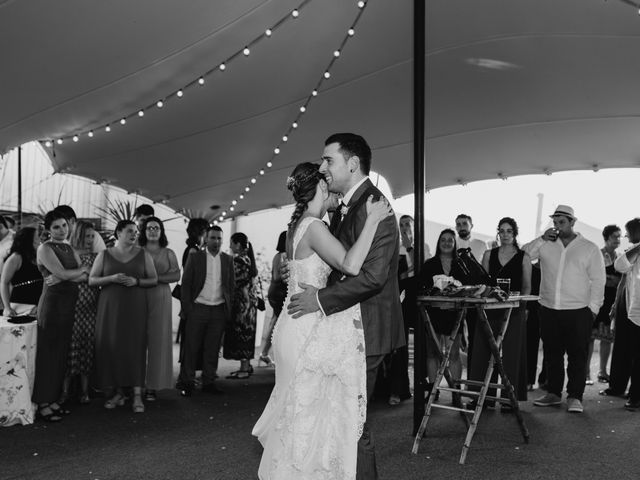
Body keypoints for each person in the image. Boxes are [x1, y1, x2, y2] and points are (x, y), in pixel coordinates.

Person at [253, 160, 393, 479]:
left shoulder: (301, 223)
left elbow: (305, 266)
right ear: (320, 187)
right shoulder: (314, 227)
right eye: (327, 182)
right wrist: (371, 220)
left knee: (299, 415)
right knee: (304, 417)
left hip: (294, 322)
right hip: (304, 327)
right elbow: (350, 264)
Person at [283, 133, 404, 480]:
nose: (322, 167)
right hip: (342, 326)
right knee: (341, 422)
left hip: (366, 329)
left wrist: (319, 299)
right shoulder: (345, 204)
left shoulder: (375, 205)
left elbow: (372, 277)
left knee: (353, 425)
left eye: (328, 160)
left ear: (352, 164)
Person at [523, 205, 605, 413]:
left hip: (579, 310)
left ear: (572, 223)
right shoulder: (545, 244)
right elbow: (524, 255)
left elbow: (598, 279)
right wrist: (542, 238)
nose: (558, 226)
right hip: (549, 307)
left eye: (562, 222)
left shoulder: (589, 247)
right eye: (555, 222)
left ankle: (575, 396)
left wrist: (593, 309)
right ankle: (553, 393)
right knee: (552, 353)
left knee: (577, 354)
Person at [90, 220, 157, 413]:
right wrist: (110, 279)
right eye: (129, 231)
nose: (134, 235)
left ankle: (137, 395)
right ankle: (118, 392)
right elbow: (92, 280)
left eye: (136, 232)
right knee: (113, 348)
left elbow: (153, 279)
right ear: (118, 233)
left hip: (135, 307)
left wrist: (137, 281)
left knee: (135, 347)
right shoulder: (104, 254)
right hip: (110, 308)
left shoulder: (143, 255)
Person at [32, 210, 90, 422]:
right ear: (48, 230)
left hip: (68, 305)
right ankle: (43, 403)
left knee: (61, 354)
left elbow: (85, 276)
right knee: (48, 355)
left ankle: (53, 398)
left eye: (64, 225)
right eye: (56, 227)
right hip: (53, 306)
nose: (61, 230)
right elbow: (72, 273)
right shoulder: (45, 248)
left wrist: (70, 275)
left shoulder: (68, 247)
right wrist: (75, 272)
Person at [468, 217, 532, 409]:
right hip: (489, 307)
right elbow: (484, 283)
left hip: (513, 309)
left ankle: (509, 398)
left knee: (512, 352)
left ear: (515, 233)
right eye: (502, 231)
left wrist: (523, 308)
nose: (505, 235)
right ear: (498, 233)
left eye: (509, 231)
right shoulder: (488, 254)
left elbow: (527, 287)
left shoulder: (524, 257)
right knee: (483, 350)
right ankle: (482, 396)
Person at [176, 225, 235, 396]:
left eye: (219, 238)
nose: (216, 241)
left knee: (212, 348)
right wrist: (188, 308)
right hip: (198, 308)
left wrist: (227, 309)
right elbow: (186, 284)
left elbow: (231, 286)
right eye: (213, 238)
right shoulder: (196, 258)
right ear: (206, 239)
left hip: (218, 310)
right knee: (191, 347)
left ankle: (208, 381)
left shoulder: (227, 260)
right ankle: (187, 381)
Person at [418, 229, 466, 401]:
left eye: (450, 240)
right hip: (433, 313)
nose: (446, 243)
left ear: (454, 244)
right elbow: (422, 287)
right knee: (432, 353)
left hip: (455, 313)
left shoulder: (461, 264)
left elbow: (468, 288)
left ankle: (456, 392)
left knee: (453, 354)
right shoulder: (430, 264)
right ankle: (433, 390)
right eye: (443, 240)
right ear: (439, 242)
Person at [140, 217, 180, 400]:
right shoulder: (137, 251)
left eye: (157, 228)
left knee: (157, 341)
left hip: (161, 297)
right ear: (144, 231)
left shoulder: (169, 252)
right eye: (149, 228)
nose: (153, 231)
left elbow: (176, 275)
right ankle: (135, 383)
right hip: (138, 297)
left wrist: (155, 279)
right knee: (138, 340)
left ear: (162, 231)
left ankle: (152, 385)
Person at [62, 221, 100, 405]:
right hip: (72, 308)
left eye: (92, 236)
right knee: (70, 349)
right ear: (78, 235)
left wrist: (81, 275)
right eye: (87, 236)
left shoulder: (96, 256)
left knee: (87, 348)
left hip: (91, 309)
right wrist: (84, 275)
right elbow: (64, 277)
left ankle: (85, 391)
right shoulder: (68, 254)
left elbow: (95, 277)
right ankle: (64, 392)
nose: (90, 239)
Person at [387, 215, 417, 406]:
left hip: (417, 300)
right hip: (399, 301)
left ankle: (425, 387)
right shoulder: (394, 247)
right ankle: (398, 390)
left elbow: (419, 270)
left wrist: (410, 247)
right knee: (400, 347)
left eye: (408, 224)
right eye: (402, 224)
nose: (405, 227)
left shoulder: (422, 246)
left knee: (423, 348)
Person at [586, 225, 621, 385]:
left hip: (612, 301)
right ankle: (586, 373)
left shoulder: (620, 257)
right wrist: (610, 279)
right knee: (590, 338)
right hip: (598, 300)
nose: (618, 240)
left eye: (619, 237)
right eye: (615, 236)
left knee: (607, 338)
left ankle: (602, 371)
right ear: (606, 237)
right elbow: (591, 276)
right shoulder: (598, 255)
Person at [612, 218, 640, 410]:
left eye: (628, 231)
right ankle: (634, 395)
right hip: (633, 310)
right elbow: (620, 266)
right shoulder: (635, 251)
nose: (625, 235)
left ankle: (636, 397)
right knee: (634, 354)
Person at [224, 232, 259, 379]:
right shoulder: (249, 259)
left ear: (238, 244)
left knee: (242, 334)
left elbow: (233, 281)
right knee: (247, 334)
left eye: (231, 243)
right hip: (250, 305)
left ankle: (244, 369)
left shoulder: (238, 261)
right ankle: (246, 366)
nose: (229, 245)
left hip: (241, 306)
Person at [258, 230, 288, 367]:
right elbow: (277, 277)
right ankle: (264, 353)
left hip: (275, 292)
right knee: (277, 323)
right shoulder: (282, 255)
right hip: (279, 292)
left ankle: (264, 353)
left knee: (275, 322)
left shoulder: (278, 255)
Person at [0, 227, 42, 316]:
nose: (40, 239)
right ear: (29, 239)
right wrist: (7, 308)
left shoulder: (38, 256)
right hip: (20, 306)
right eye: (37, 236)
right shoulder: (16, 257)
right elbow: (4, 282)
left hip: (38, 306)